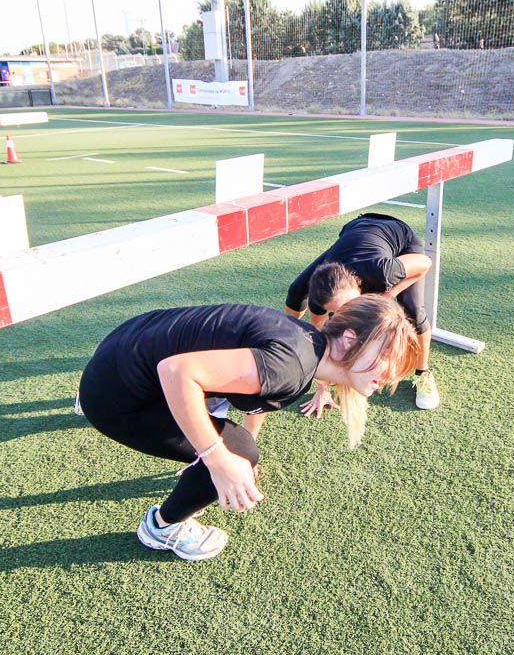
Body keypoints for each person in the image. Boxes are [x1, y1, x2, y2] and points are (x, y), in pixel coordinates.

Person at [76, 295, 421, 561]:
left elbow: (247, 395)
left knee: (241, 449)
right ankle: (162, 527)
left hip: (117, 351)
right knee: (236, 453)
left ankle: (98, 389)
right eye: (386, 356)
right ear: (348, 340)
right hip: (114, 397)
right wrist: (221, 459)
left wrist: (240, 454)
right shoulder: (291, 366)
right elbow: (177, 372)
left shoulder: (304, 341)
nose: (392, 373)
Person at [284, 212, 439, 410]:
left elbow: (425, 263)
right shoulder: (319, 296)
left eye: (350, 304)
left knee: (413, 310)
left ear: (357, 285)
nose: (350, 313)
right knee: (297, 291)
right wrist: (323, 388)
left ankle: (423, 373)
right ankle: (288, 344)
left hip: (398, 237)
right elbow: (320, 340)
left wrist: (389, 295)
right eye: (339, 311)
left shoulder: (383, 272)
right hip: (354, 230)